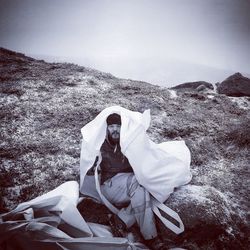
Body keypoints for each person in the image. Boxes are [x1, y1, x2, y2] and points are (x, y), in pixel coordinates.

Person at [86, 113, 167, 250]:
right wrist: (93, 164)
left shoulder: (129, 143)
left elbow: (145, 157)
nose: (115, 130)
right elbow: (88, 169)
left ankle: (121, 220)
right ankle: (151, 238)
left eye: (118, 126)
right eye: (111, 126)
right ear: (106, 128)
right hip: (109, 186)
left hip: (129, 186)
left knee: (148, 189)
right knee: (138, 182)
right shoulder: (100, 146)